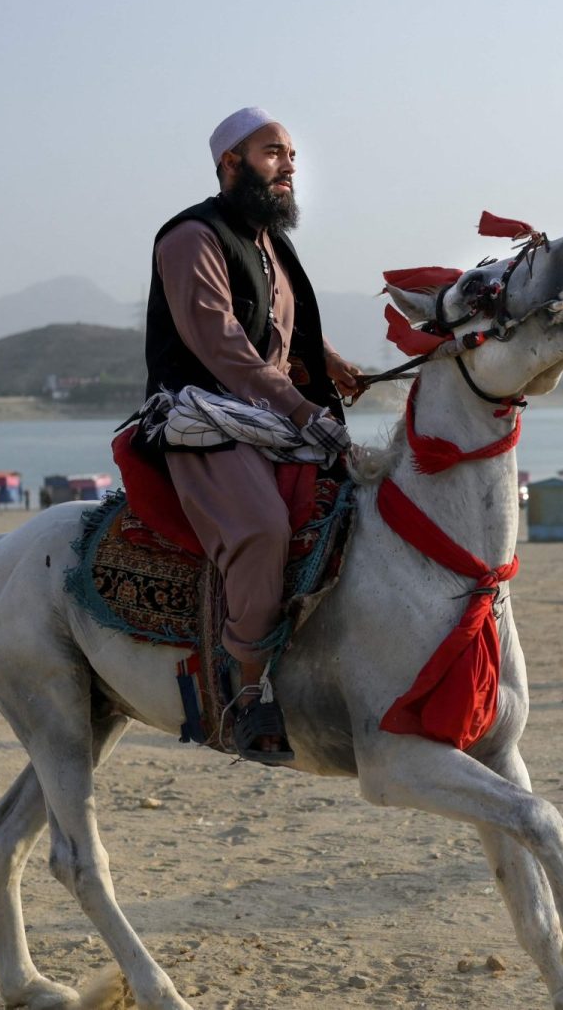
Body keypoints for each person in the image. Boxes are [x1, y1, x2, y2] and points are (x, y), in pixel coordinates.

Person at [145, 107, 362, 763]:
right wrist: (300, 408)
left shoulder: (269, 240)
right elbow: (224, 343)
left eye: (292, 154)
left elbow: (279, 328)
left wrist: (329, 364)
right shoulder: (190, 236)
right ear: (231, 164)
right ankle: (249, 691)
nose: (289, 164)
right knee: (263, 527)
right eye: (273, 152)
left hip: (264, 411)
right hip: (200, 414)